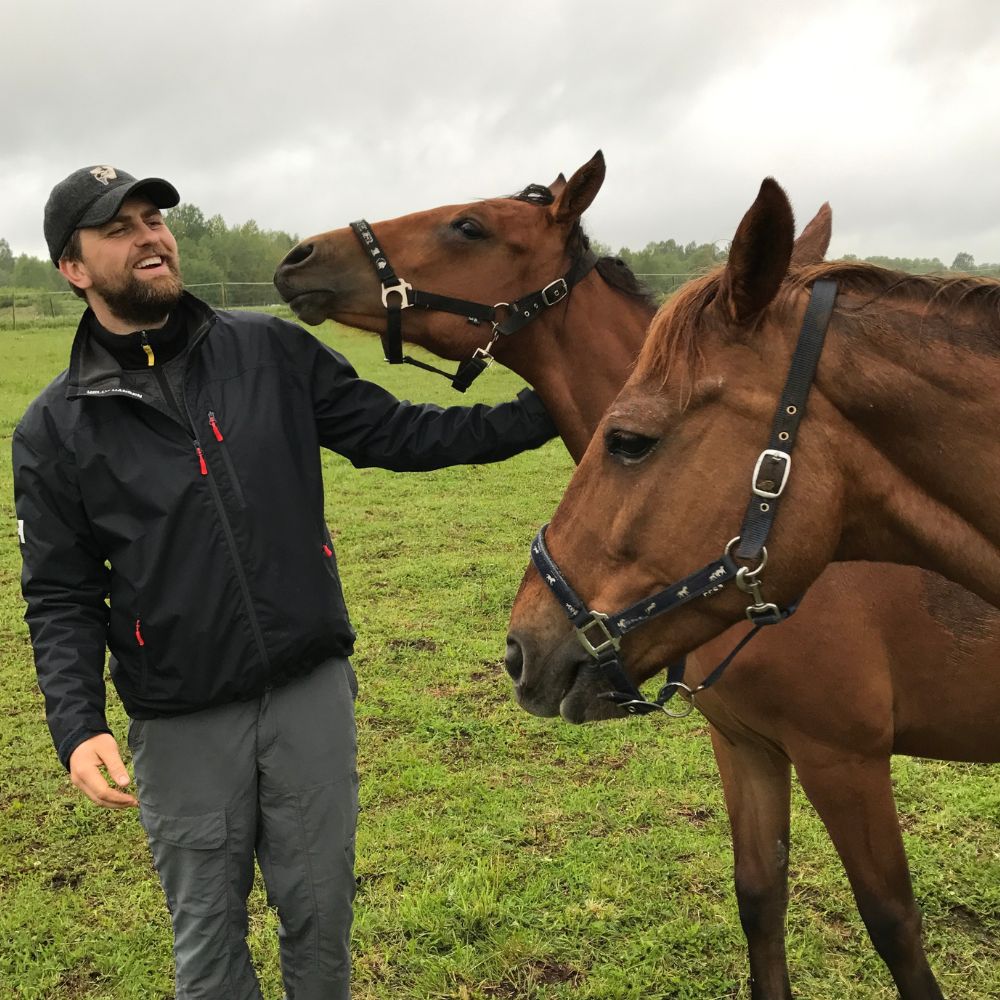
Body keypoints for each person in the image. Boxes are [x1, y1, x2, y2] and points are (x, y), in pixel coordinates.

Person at [13, 165, 558, 1000]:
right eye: (117, 229)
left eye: (153, 218)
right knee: (208, 947)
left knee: (320, 925)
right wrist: (76, 720)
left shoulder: (268, 350)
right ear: (73, 269)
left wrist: (549, 404)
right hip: (183, 720)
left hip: (309, 695)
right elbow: (59, 592)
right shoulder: (55, 426)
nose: (149, 236)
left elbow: (397, 433)